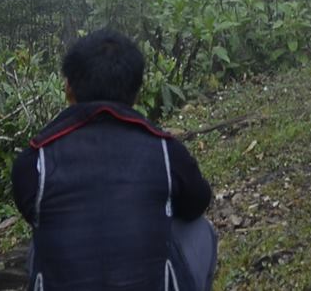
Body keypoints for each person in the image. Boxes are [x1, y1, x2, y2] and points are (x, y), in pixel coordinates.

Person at [11, 30, 217, 290]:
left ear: (68, 88)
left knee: (41, 241)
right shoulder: (165, 151)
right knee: (199, 230)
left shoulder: (34, 161)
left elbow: (33, 213)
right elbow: (198, 202)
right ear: (137, 93)